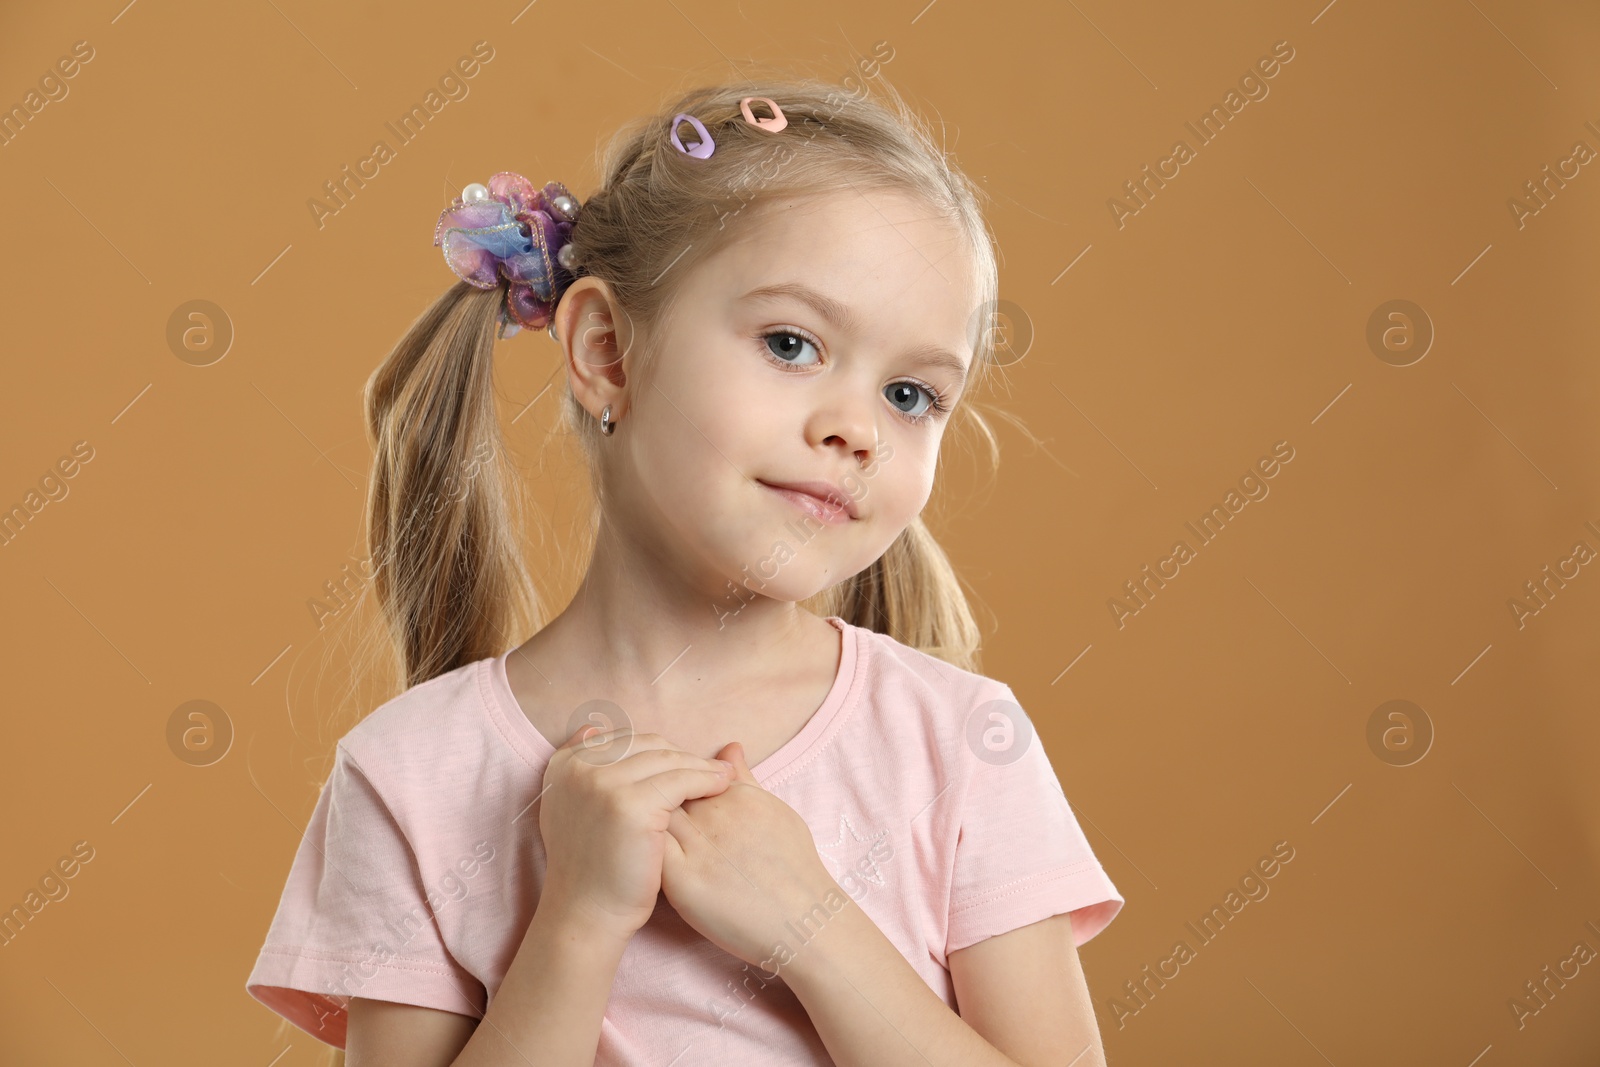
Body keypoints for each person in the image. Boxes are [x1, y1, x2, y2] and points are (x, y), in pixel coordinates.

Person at [245, 74, 1124, 1067]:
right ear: (608, 350)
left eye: (912, 394)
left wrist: (815, 924)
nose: (858, 428)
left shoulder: (964, 744)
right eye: (791, 343)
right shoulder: (409, 774)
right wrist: (574, 924)